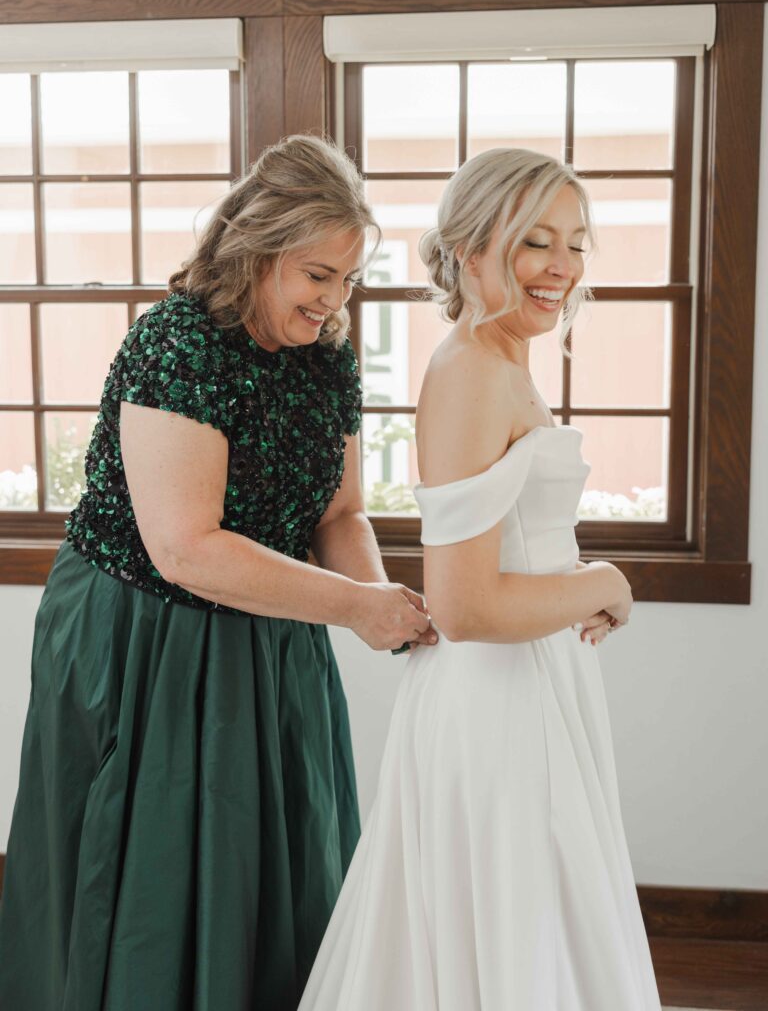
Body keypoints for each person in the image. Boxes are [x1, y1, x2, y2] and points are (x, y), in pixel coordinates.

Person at [0, 134, 437, 1011]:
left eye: (348, 279)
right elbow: (187, 547)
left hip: (272, 628)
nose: (334, 299)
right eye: (319, 274)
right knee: (153, 870)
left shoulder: (327, 356)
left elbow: (339, 512)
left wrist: (387, 603)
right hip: (141, 633)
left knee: (280, 855)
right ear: (260, 249)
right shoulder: (179, 346)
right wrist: (355, 607)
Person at [299, 148, 662, 1010]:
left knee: (533, 931)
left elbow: (508, 558)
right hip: (499, 701)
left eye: (576, 243)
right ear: (469, 250)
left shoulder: (501, 356)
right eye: (536, 241)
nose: (563, 266)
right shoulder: (468, 370)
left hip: (531, 681)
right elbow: (464, 605)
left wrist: (575, 581)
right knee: (506, 933)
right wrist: (605, 580)